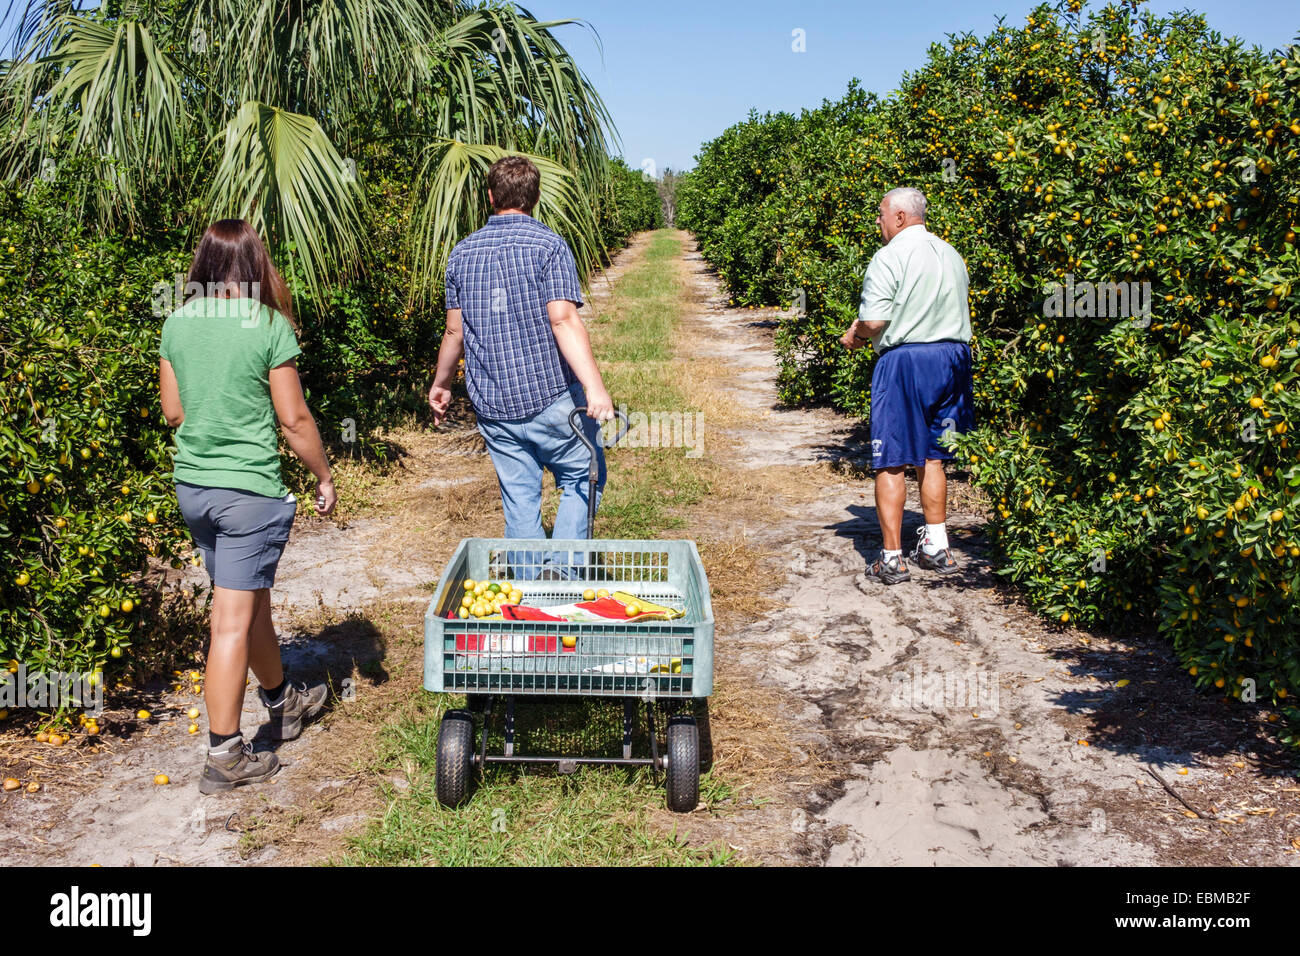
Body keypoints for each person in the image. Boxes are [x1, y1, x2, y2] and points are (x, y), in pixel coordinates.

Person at [159, 219, 335, 793]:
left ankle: (284, 700)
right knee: (230, 622)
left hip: (195, 491)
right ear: (255, 264)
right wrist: (323, 474)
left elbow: (175, 414)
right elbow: (294, 419)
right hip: (247, 495)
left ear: (203, 265)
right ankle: (226, 755)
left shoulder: (178, 323)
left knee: (250, 603)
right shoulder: (267, 325)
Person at [428, 155, 614, 579]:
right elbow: (563, 319)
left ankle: (529, 595)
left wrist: (442, 385)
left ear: (490, 196)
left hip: (493, 404)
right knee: (583, 475)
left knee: (519, 497)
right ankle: (563, 578)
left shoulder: (461, 253)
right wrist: (595, 388)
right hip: (551, 397)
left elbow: (454, 333)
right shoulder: (549, 245)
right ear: (535, 197)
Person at [839, 187, 975, 585]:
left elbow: (876, 320)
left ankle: (893, 557)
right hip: (953, 358)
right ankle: (937, 546)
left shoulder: (890, 256)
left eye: (881, 214)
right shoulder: (951, 254)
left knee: (892, 458)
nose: (877, 222)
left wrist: (857, 336)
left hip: (905, 361)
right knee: (933, 456)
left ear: (899, 217)